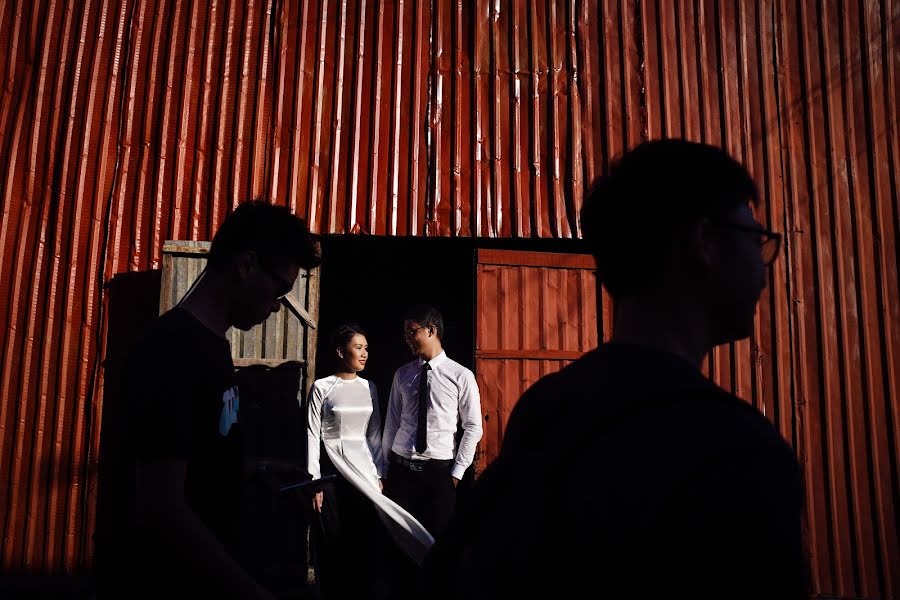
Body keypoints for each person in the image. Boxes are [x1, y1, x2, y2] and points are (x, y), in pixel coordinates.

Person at [424, 139, 808, 599]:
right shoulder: (739, 451)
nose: (764, 266)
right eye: (754, 238)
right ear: (704, 242)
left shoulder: (547, 409)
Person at [121, 200, 321, 599]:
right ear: (246, 265)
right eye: (280, 287)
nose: (279, 303)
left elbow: (192, 455)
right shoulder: (173, 349)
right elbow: (162, 508)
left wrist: (254, 468)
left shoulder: (213, 345)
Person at [307, 323, 433, 599]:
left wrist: (380, 473)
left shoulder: (369, 387)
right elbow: (311, 435)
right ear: (341, 352)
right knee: (334, 539)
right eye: (358, 348)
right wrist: (314, 480)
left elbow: (374, 434)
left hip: (364, 472)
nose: (365, 354)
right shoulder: (322, 387)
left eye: (366, 349)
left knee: (365, 537)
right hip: (332, 472)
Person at [382, 305, 483, 597]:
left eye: (412, 332)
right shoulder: (402, 375)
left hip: (438, 476)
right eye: (405, 333)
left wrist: (455, 474)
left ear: (431, 330)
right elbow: (392, 423)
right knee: (399, 547)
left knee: (438, 548)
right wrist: (386, 470)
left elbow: (473, 427)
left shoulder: (460, 376)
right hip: (401, 472)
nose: (407, 338)